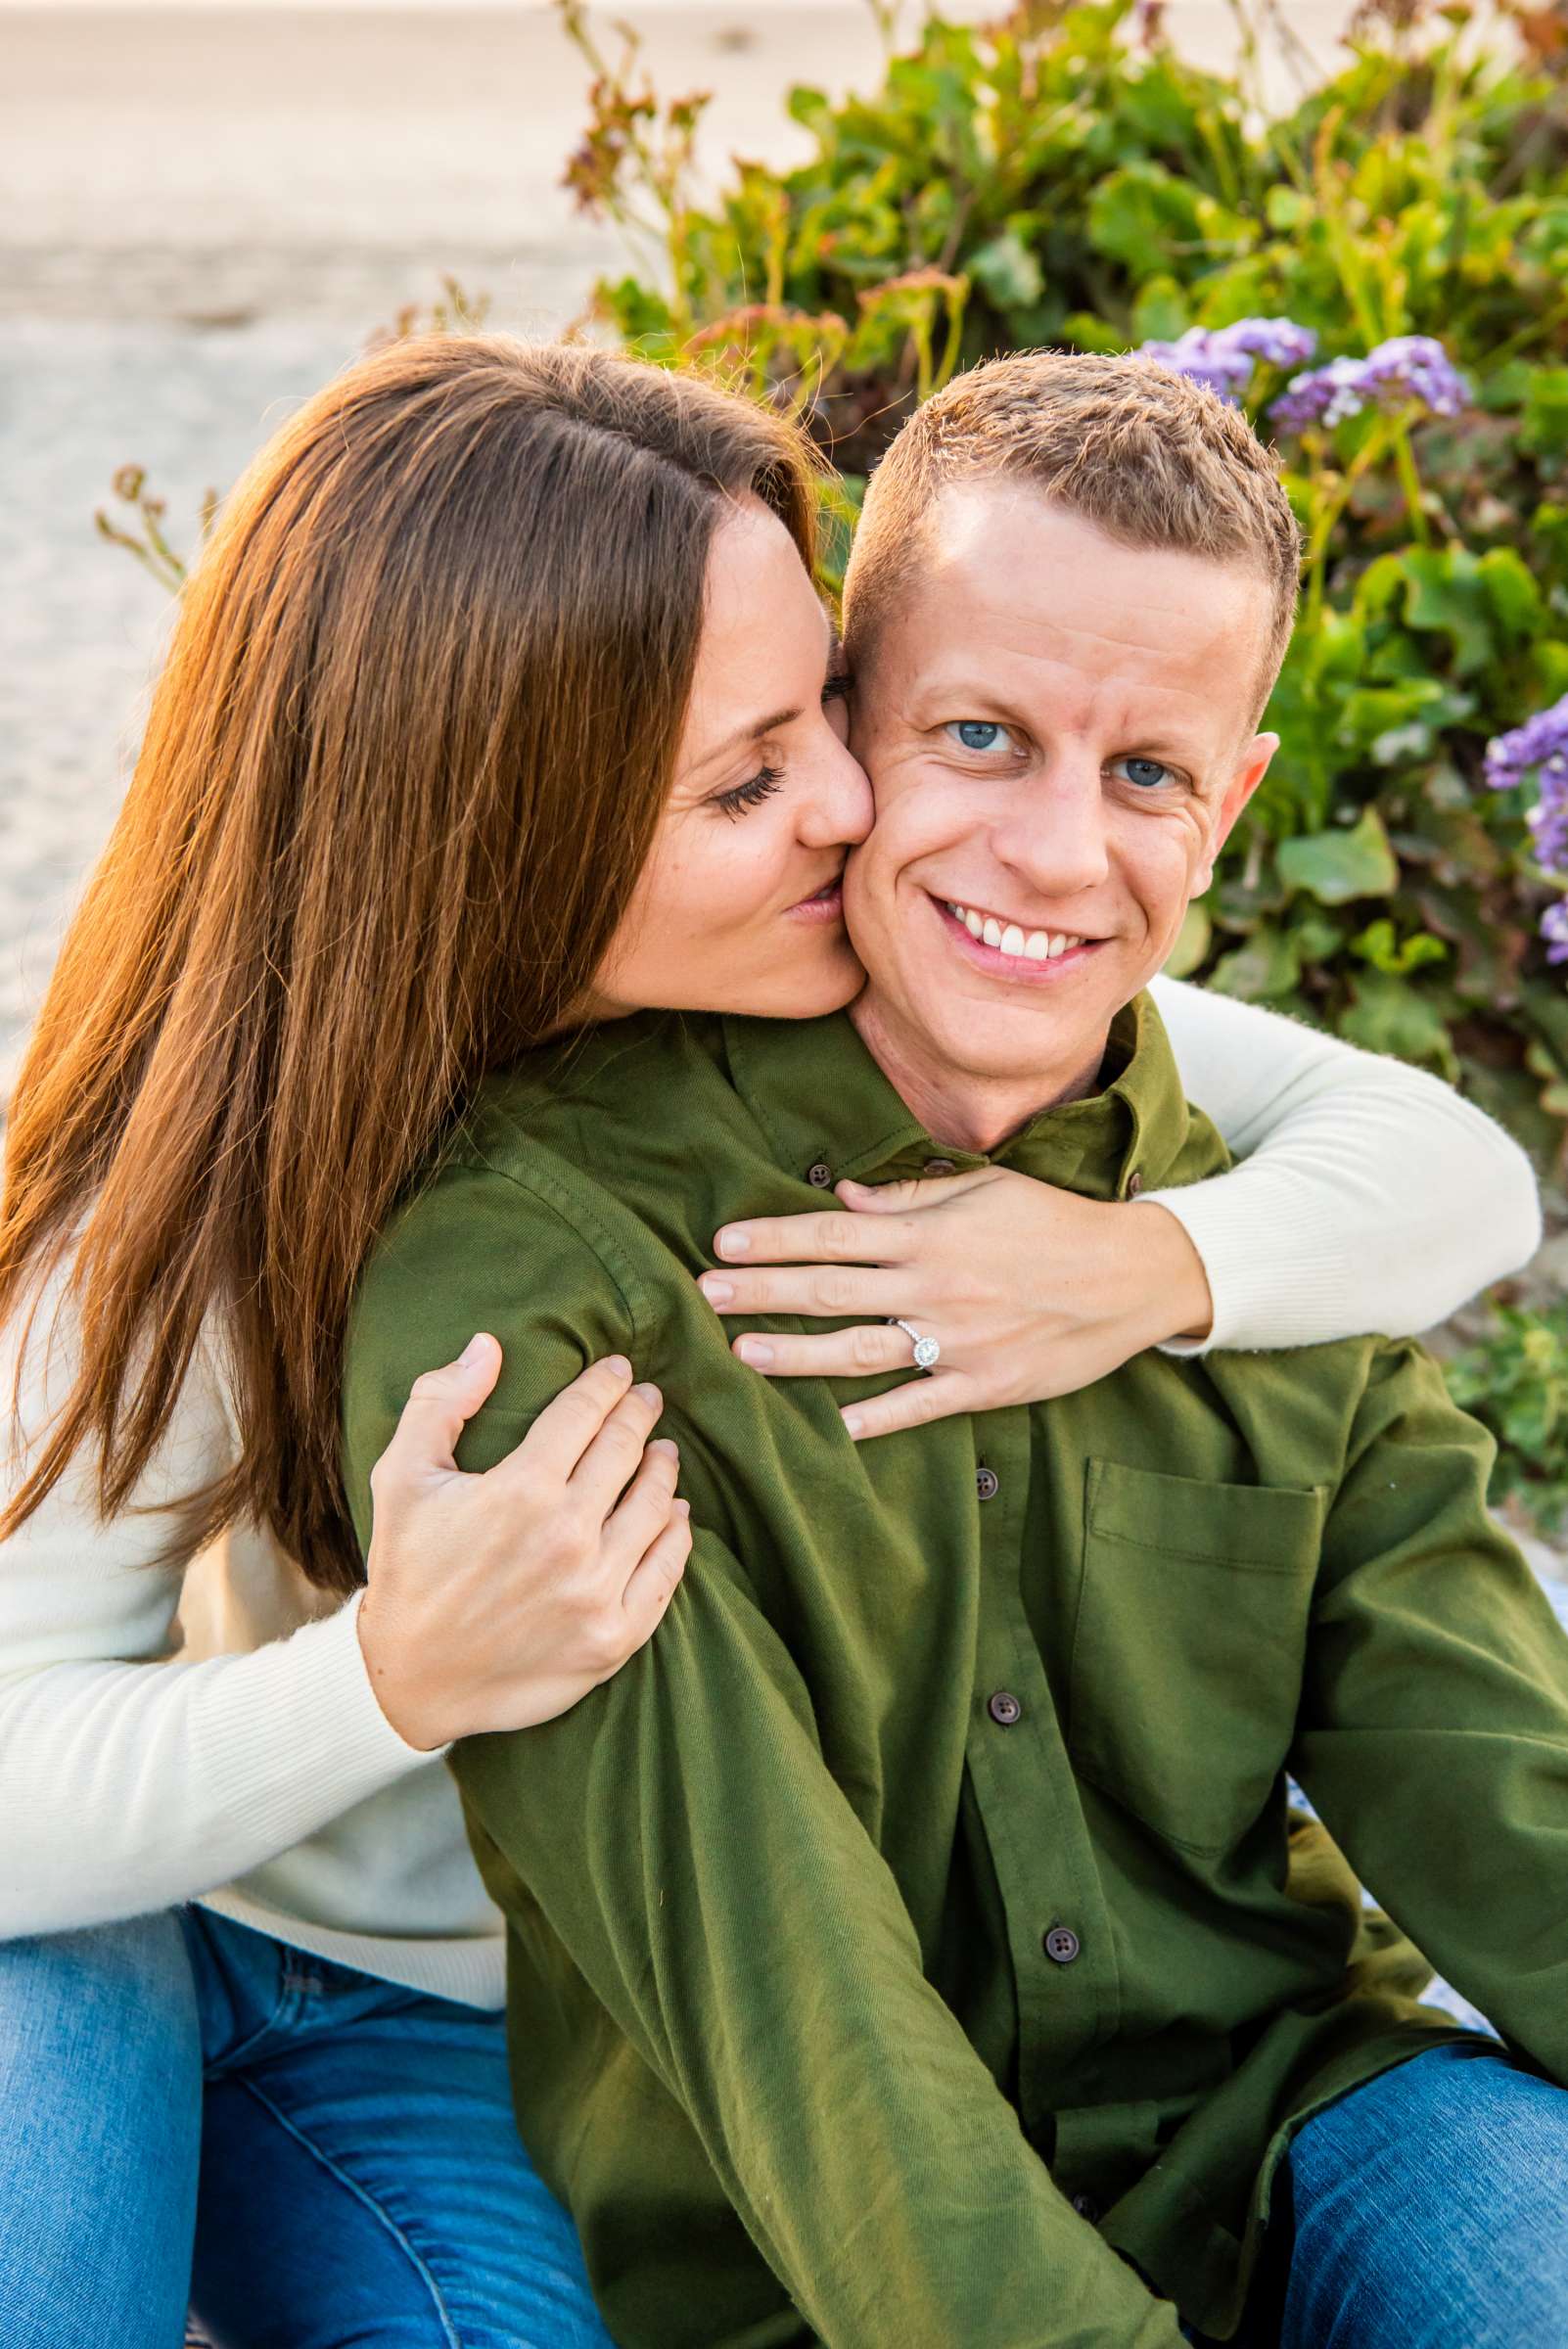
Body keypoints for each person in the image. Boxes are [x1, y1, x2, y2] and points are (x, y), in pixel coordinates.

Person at [0, 335, 1536, 2349]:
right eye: (749, 772)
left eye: (825, 703)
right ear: (506, 828)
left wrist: (1150, 1263)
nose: (849, 797)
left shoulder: (900, 983)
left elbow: (1435, 1164)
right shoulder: (219, 1195)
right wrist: (390, 1677)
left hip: (579, 2013)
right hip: (280, 1947)